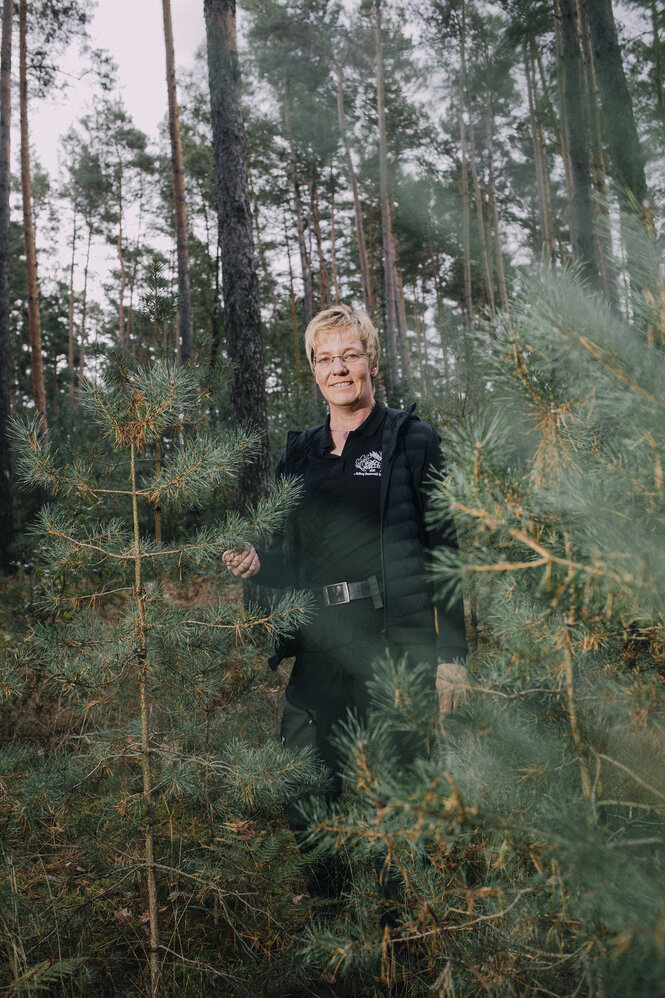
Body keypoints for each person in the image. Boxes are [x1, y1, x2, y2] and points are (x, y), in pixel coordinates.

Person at [223, 304, 467, 897]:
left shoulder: (411, 441)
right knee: (305, 784)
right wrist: (258, 563)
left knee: (398, 791)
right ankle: (333, 919)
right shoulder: (300, 453)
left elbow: (445, 552)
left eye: (349, 355)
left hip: (394, 642)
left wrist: (452, 655)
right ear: (312, 370)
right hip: (320, 644)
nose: (339, 368)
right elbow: (289, 555)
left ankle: (395, 935)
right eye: (325, 358)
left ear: (372, 361)